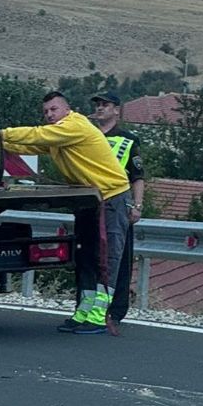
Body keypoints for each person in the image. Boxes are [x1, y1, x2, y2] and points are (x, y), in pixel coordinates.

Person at [1, 91, 132, 334]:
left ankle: (99, 316)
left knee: (107, 258)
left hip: (111, 197)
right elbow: (31, 144)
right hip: (89, 199)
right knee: (87, 256)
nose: (49, 115)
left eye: (54, 109)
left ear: (67, 109)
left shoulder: (74, 126)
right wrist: (1, 144)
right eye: (46, 112)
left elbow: (38, 135)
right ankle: (84, 310)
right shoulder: (59, 136)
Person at [89, 90, 145, 326]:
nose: (100, 108)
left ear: (116, 110)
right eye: (98, 104)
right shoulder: (88, 136)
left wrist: (137, 206)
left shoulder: (128, 139)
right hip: (91, 204)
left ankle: (114, 310)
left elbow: (138, 176)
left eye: (105, 104)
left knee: (116, 258)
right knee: (89, 258)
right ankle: (88, 308)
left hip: (117, 205)